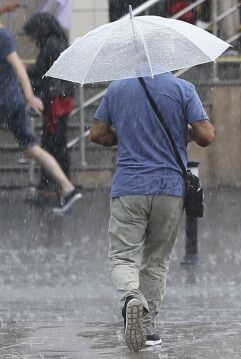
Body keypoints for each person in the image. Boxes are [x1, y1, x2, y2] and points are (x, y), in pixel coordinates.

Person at [90, 69, 215, 351]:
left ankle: (130, 299)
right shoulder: (183, 89)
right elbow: (207, 135)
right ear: (168, 57)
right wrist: (185, 133)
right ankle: (147, 331)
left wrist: (126, 134)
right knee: (156, 261)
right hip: (170, 189)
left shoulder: (117, 89)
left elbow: (97, 134)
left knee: (123, 257)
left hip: (129, 187)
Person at [0, 20, 81, 215]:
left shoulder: (3, 36)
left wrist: (30, 96)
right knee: (32, 149)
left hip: (6, 100)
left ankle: (60, 188)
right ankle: (68, 188)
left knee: (41, 146)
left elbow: (18, 66)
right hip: (13, 100)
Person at [23, 12, 75, 206]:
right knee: (55, 144)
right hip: (59, 100)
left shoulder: (50, 45)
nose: (30, 39)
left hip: (56, 103)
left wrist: (32, 89)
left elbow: (46, 76)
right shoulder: (55, 42)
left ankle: (53, 189)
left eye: (31, 34)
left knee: (52, 144)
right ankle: (55, 188)